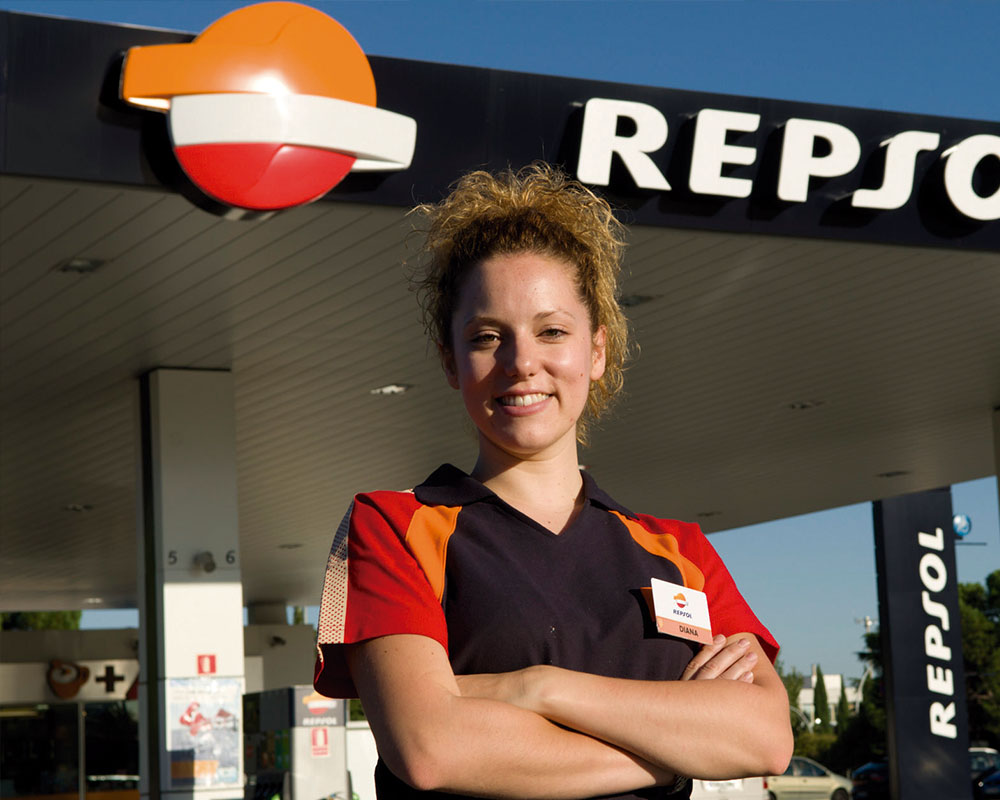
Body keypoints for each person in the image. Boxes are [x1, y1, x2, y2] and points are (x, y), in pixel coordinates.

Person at [314, 163, 793, 799]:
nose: (521, 363)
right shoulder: (391, 527)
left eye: (552, 331)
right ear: (450, 362)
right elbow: (432, 749)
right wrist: (679, 750)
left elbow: (765, 740)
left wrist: (534, 686)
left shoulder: (682, 552)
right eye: (488, 337)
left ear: (596, 350)